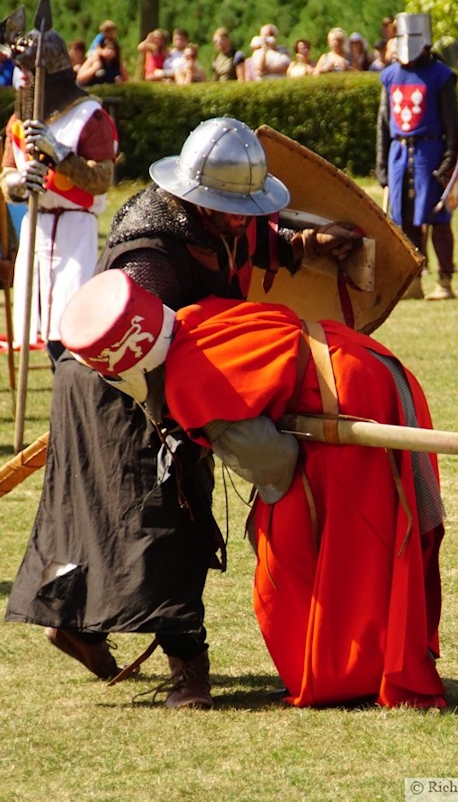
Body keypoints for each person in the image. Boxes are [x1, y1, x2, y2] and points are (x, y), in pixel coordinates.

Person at [5, 116, 362, 709]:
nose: (240, 217)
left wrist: (305, 245)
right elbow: (141, 347)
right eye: (229, 206)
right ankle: (188, 673)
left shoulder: (213, 220)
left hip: (157, 376)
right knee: (168, 522)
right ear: (196, 194)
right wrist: (203, 412)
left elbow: (247, 242)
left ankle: (77, 625)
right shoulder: (149, 246)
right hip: (120, 388)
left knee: (117, 522)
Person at [60, 272, 448, 710]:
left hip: (349, 400)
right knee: (366, 542)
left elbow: (274, 465)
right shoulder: (196, 315)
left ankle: (344, 673)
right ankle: (368, 662)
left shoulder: (190, 383)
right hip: (369, 364)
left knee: (308, 554)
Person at [0, 24, 117, 365]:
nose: (20, 78)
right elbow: (7, 174)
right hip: (35, 232)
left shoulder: (88, 115)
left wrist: (60, 156)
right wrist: (19, 183)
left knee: (73, 336)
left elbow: (101, 178)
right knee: (37, 328)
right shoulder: (18, 121)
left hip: (74, 231)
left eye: (25, 70)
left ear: (47, 71)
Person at [376, 12, 458, 301]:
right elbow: (384, 124)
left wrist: (450, 157)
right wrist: (382, 166)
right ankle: (412, 282)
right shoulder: (390, 75)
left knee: (438, 218)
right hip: (399, 153)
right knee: (405, 220)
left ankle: (445, 281)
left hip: (430, 152)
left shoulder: (441, 75)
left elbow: (452, 123)